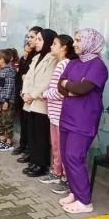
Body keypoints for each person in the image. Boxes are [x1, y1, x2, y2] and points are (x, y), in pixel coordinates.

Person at [56, 29, 108, 214]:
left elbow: (83, 88)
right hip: (67, 116)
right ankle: (75, 192)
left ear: (90, 43)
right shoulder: (74, 63)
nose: (74, 44)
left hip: (84, 119)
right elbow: (60, 85)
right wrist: (72, 88)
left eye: (78, 40)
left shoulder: (98, 66)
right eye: (75, 40)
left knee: (74, 157)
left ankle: (85, 201)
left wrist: (70, 87)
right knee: (65, 156)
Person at [40, 34, 78, 187]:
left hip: (61, 114)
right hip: (54, 113)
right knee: (56, 146)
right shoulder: (60, 63)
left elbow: (59, 91)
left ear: (64, 48)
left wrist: (44, 94)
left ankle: (66, 178)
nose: (51, 46)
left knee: (62, 148)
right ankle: (57, 172)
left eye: (54, 43)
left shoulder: (65, 64)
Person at [21, 28, 59, 177]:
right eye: (35, 39)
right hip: (30, 101)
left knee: (41, 135)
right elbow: (28, 77)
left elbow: (47, 81)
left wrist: (32, 95)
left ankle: (42, 165)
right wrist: (25, 93)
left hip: (41, 102)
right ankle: (34, 161)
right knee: (32, 133)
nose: (35, 42)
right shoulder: (36, 57)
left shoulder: (52, 58)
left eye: (39, 39)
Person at [14, 27, 41, 156]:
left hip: (34, 97)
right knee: (24, 123)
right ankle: (23, 145)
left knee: (32, 127)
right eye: (28, 37)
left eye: (32, 37)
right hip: (24, 93)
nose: (29, 40)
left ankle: (31, 151)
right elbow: (22, 74)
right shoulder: (28, 56)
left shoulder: (40, 56)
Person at [0, 49, 17, 151]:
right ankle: (2, 138)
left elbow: (9, 87)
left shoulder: (9, 71)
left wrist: (6, 101)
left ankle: (9, 141)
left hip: (6, 101)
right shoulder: (0, 71)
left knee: (7, 121)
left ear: (2, 60)